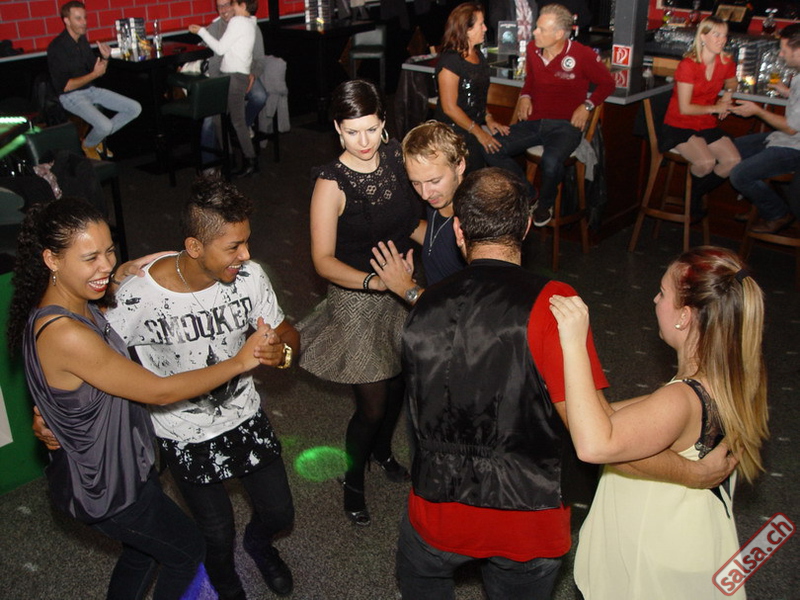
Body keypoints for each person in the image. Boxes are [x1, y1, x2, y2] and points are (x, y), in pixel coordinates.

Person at [396, 168, 738, 599]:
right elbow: (595, 435)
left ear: (458, 230)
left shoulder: (423, 305)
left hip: (435, 510)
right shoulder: (553, 305)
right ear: (526, 226)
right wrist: (693, 472)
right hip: (526, 520)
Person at [33, 178, 299, 600]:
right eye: (233, 246)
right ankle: (230, 589)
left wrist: (279, 354)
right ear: (195, 247)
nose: (246, 254)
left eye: (246, 241)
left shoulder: (250, 277)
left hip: (245, 416)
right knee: (214, 535)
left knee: (279, 512)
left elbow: (288, 337)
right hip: (181, 433)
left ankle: (259, 544)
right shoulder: (138, 297)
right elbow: (92, 359)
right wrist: (49, 412)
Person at [550, 246, 769, 599]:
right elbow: (611, 419)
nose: (655, 299)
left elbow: (595, 444)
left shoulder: (681, 399)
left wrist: (573, 343)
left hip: (653, 555)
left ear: (684, 316)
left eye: (663, 292)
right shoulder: (732, 381)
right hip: (692, 542)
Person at [299, 79, 424, 527]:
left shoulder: (396, 157)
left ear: (383, 122)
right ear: (337, 128)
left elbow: (411, 223)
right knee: (371, 405)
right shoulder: (330, 182)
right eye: (352, 132)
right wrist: (377, 283)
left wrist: (445, 245)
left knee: (399, 386)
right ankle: (353, 480)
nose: (364, 141)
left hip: (401, 289)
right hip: (357, 297)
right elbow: (322, 261)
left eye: (371, 129)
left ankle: (382, 452)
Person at [484, 3, 614, 226]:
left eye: (541, 29)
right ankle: (529, 193)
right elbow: (531, 80)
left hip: (565, 126)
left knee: (551, 161)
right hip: (535, 122)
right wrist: (525, 96)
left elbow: (608, 84)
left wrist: (587, 105)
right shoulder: (533, 49)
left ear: (559, 34)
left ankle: (545, 204)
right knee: (490, 147)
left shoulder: (581, 54)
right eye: (536, 27)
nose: (534, 32)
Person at [370, 121, 468, 305]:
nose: (425, 194)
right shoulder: (441, 200)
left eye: (434, 181)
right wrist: (397, 219)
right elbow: (439, 236)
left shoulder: (473, 224)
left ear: (459, 165)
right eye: (416, 183)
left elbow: (465, 311)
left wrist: (405, 287)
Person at [661, 16, 741, 214]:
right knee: (706, 162)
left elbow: (732, 82)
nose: (722, 40)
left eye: (724, 36)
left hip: (705, 122)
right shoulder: (688, 65)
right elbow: (685, 108)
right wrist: (716, 108)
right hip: (679, 124)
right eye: (716, 35)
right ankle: (693, 197)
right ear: (703, 37)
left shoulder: (725, 62)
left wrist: (727, 96)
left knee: (733, 161)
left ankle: (694, 194)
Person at [47, 1, 142, 161]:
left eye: (85, 18)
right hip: (70, 96)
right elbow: (66, 86)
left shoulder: (82, 41)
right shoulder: (57, 47)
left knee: (134, 108)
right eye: (78, 18)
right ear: (66, 20)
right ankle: (89, 144)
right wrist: (95, 74)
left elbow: (97, 71)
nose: (84, 22)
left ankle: (96, 139)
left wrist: (105, 58)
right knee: (105, 125)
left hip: (90, 90)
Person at [729, 23, 800, 234]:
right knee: (730, 149)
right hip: (786, 139)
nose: (781, 54)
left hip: (795, 148)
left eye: (784, 50)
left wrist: (757, 111)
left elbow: (791, 128)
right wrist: (786, 92)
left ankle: (777, 212)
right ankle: (763, 204)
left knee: (740, 174)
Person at [434, 2, 510, 174]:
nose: (485, 28)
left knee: (500, 153)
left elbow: (478, 95)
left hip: (472, 126)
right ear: (466, 30)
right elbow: (449, 108)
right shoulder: (451, 61)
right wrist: (479, 133)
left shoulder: (478, 55)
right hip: (454, 131)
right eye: (481, 24)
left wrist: (489, 118)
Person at [189, 0, 259, 178]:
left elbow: (220, 49)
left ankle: (249, 160)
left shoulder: (238, 22)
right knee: (220, 119)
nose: (230, 8)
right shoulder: (250, 22)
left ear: (243, 6)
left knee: (237, 121)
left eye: (233, 4)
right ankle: (232, 158)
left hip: (234, 77)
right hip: (234, 76)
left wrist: (201, 31)